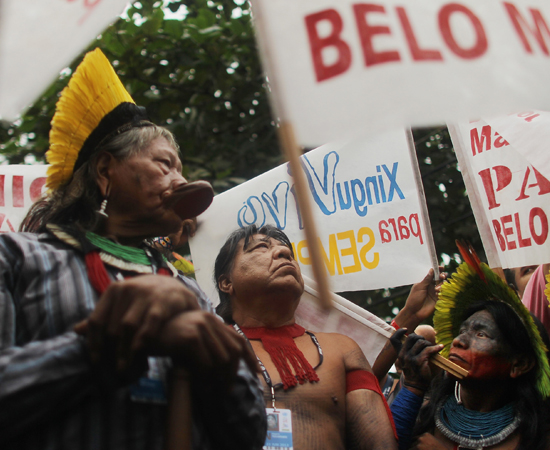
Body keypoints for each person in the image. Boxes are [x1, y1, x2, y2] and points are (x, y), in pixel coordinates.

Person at [0, 48, 266, 449]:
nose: (180, 180)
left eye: (180, 168)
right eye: (165, 164)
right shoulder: (17, 257)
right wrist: (98, 349)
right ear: (106, 170)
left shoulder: (188, 291)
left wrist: (217, 369)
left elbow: (247, 435)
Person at [213, 224, 442, 450]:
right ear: (226, 282)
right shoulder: (208, 349)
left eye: (288, 253)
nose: (283, 253)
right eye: (260, 248)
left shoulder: (341, 348)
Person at [390, 245, 550, 450]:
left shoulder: (538, 437)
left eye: (481, 334)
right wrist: (412, 387)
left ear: (519, 364)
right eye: (462, 331)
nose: (459, 341)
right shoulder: (424, 411)